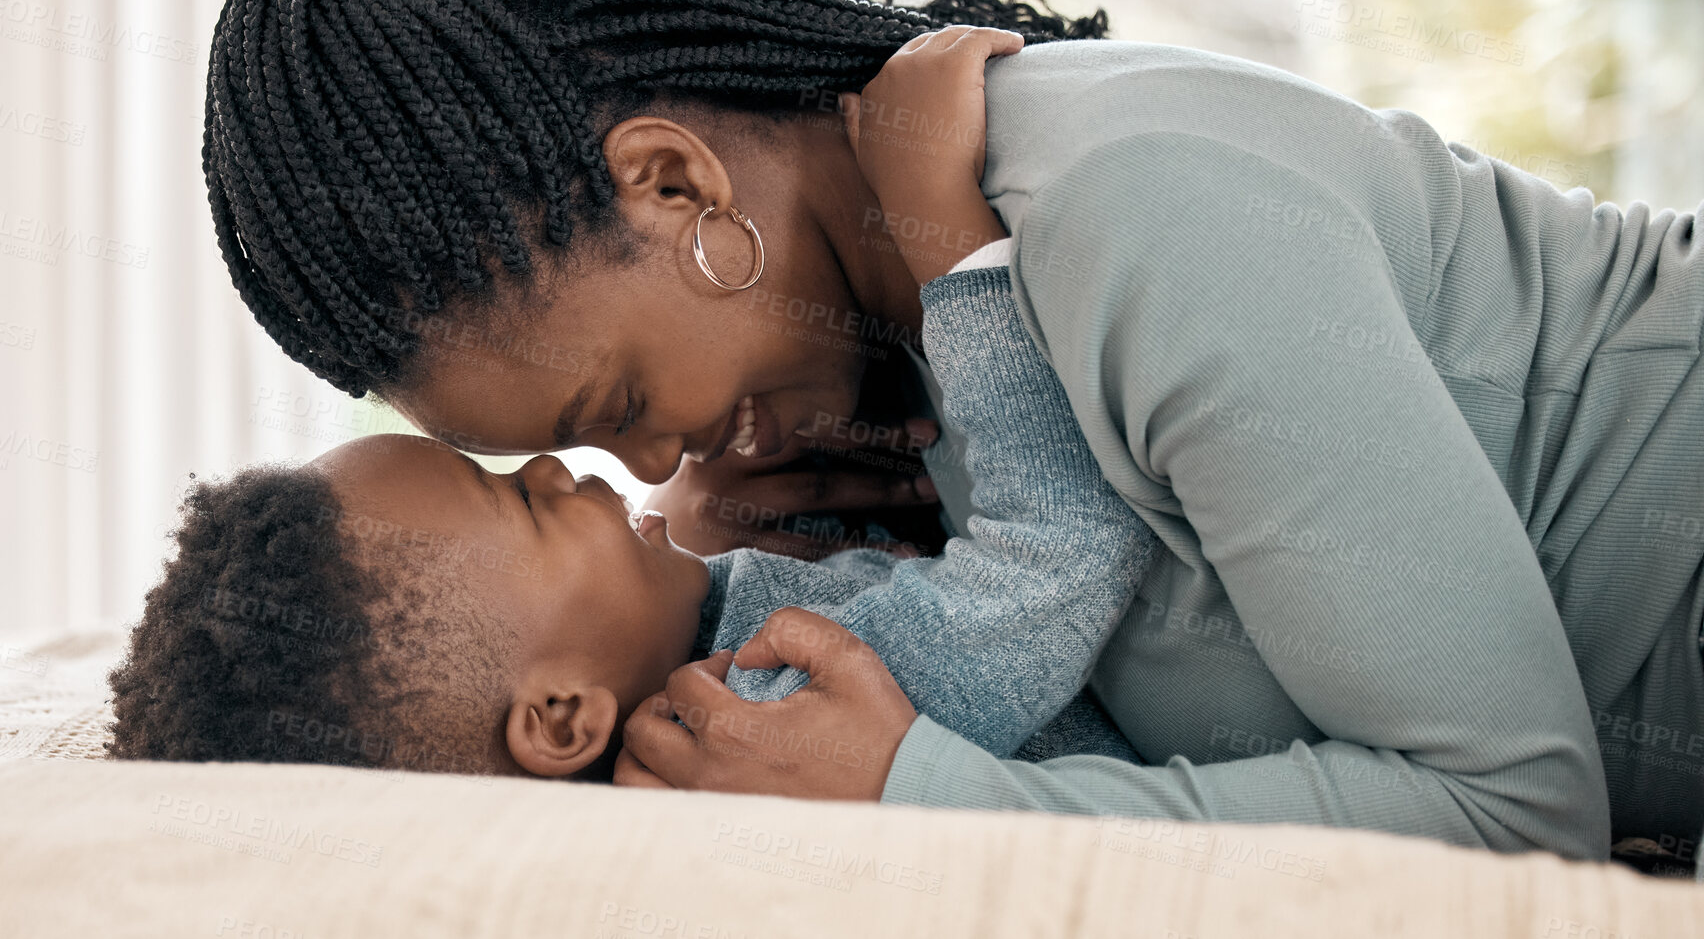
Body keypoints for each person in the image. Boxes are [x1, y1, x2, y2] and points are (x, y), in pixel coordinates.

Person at [205, 0, 1703, 862]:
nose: (650, 474)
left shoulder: (1132, 214)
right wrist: (725, 567)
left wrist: (916, 793)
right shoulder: (879, 393)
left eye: (623, 404)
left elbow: (1517, 807)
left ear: (675, 186)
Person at [106, 248, 1159, 776]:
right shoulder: (769, 712)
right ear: (563, 717)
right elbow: (1060, 557)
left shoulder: (700, 643)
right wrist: (963, 271)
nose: (562, 472)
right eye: (518, 500)